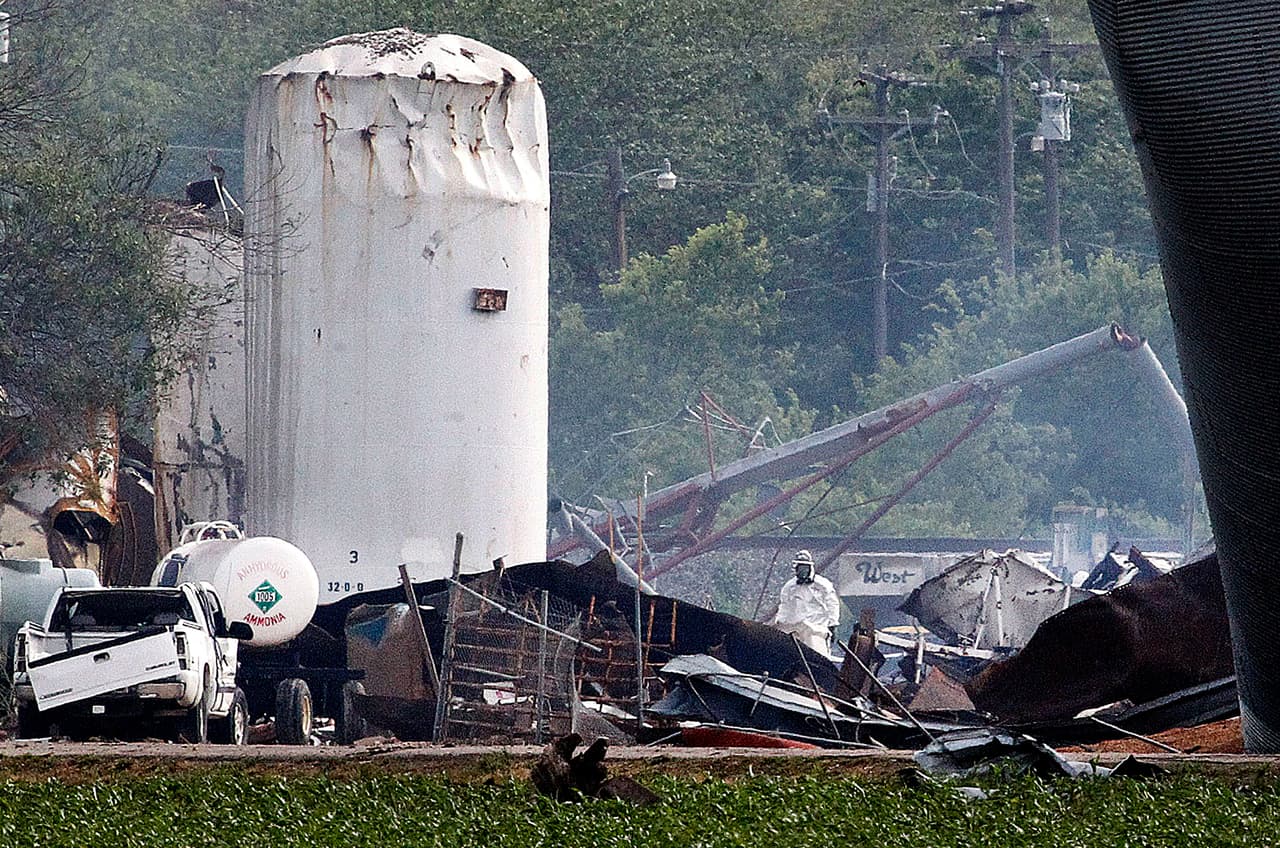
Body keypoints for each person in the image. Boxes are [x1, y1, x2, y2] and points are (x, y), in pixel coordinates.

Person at [771, 550, 841, 654]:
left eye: (804, 567)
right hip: (795, 629)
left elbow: (832, 605)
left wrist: (832, 624)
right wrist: (779, 623)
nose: (802, 571)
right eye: (800, 568)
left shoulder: (822, 585)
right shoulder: (790, 587)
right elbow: (784, 606)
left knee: (817, 655)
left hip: (817, 630)